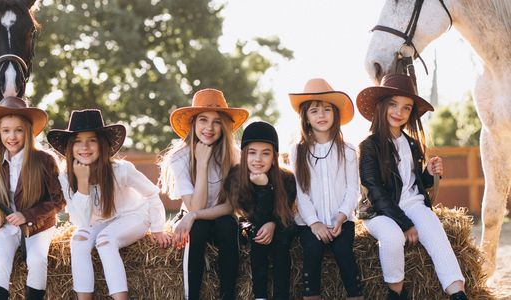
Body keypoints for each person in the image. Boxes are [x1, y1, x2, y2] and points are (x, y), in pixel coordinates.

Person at [356, 74, 467, 300]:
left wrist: (430, 173)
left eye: (406, 108)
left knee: (437, 236)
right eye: (393, 105)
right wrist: (405, 224)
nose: (399, 112)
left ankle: (458, 293)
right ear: (382, 107)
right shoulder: (369, 146)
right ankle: (396, 293)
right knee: (393, 237)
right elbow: (374, 191)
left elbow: (416, 184)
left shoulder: (411, 143)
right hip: (380, 211)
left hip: (414, 204)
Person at [46, 109, 170, 300]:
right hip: (98, 221)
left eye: (92, 140)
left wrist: (157, 228)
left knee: (105, 241)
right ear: (70, 147)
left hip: (133, 215)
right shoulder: (65, 176)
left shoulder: (121, 170)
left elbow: (152, 194)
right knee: (78, 241)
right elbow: (81, 221)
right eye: (78, 141)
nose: (84, 147)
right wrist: (83, 184)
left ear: (102, 144)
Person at [174, 121, 297, 300]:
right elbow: (252, 216)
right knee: (258, 240)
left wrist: (271, 217)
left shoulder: (287, 178)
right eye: (252, 153)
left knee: (281, 242)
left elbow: (286, 214)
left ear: (274, 157)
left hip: (281, 226)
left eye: (266, 153)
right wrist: (262, 190)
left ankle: (281, 295)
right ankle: (260, 296)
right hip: (255, 226)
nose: (258, 159)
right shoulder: (236, 179)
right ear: (244, 154)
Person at [158, 88, 249, 299]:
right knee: (197, 228)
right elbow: (195, 206)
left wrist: (194, 215)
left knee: (228, 223)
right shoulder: (179, 158)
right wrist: (202, 163)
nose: (209, 127)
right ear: (193, 123)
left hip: (219, 215)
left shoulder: (234, 155)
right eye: (203, 120)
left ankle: (228, 294)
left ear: (224, 126)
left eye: (217, 121)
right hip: (193, 219)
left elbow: (230, 206)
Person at [0, 96, 65, 300]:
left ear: (28, 132)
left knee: (37, 260)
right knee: (1, 261)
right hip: (5, 224)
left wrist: (27, 215)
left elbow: (59, 201)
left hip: (39, 224)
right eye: (6, 130)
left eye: (18, 130)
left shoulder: (44, 161)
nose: (11, 136)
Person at [289, 78, 364, 299]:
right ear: (306, 117)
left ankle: (356, 295)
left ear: (335, 114)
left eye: (327, 109)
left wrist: (340, 218)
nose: (321, 115)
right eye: (314, 111)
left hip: (342, 221)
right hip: (310, 222)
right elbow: (300, 193)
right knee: (311, 253)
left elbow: (353, 189)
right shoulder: (298, 151)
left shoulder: (348, 150)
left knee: (344, 254)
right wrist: (315, 223)